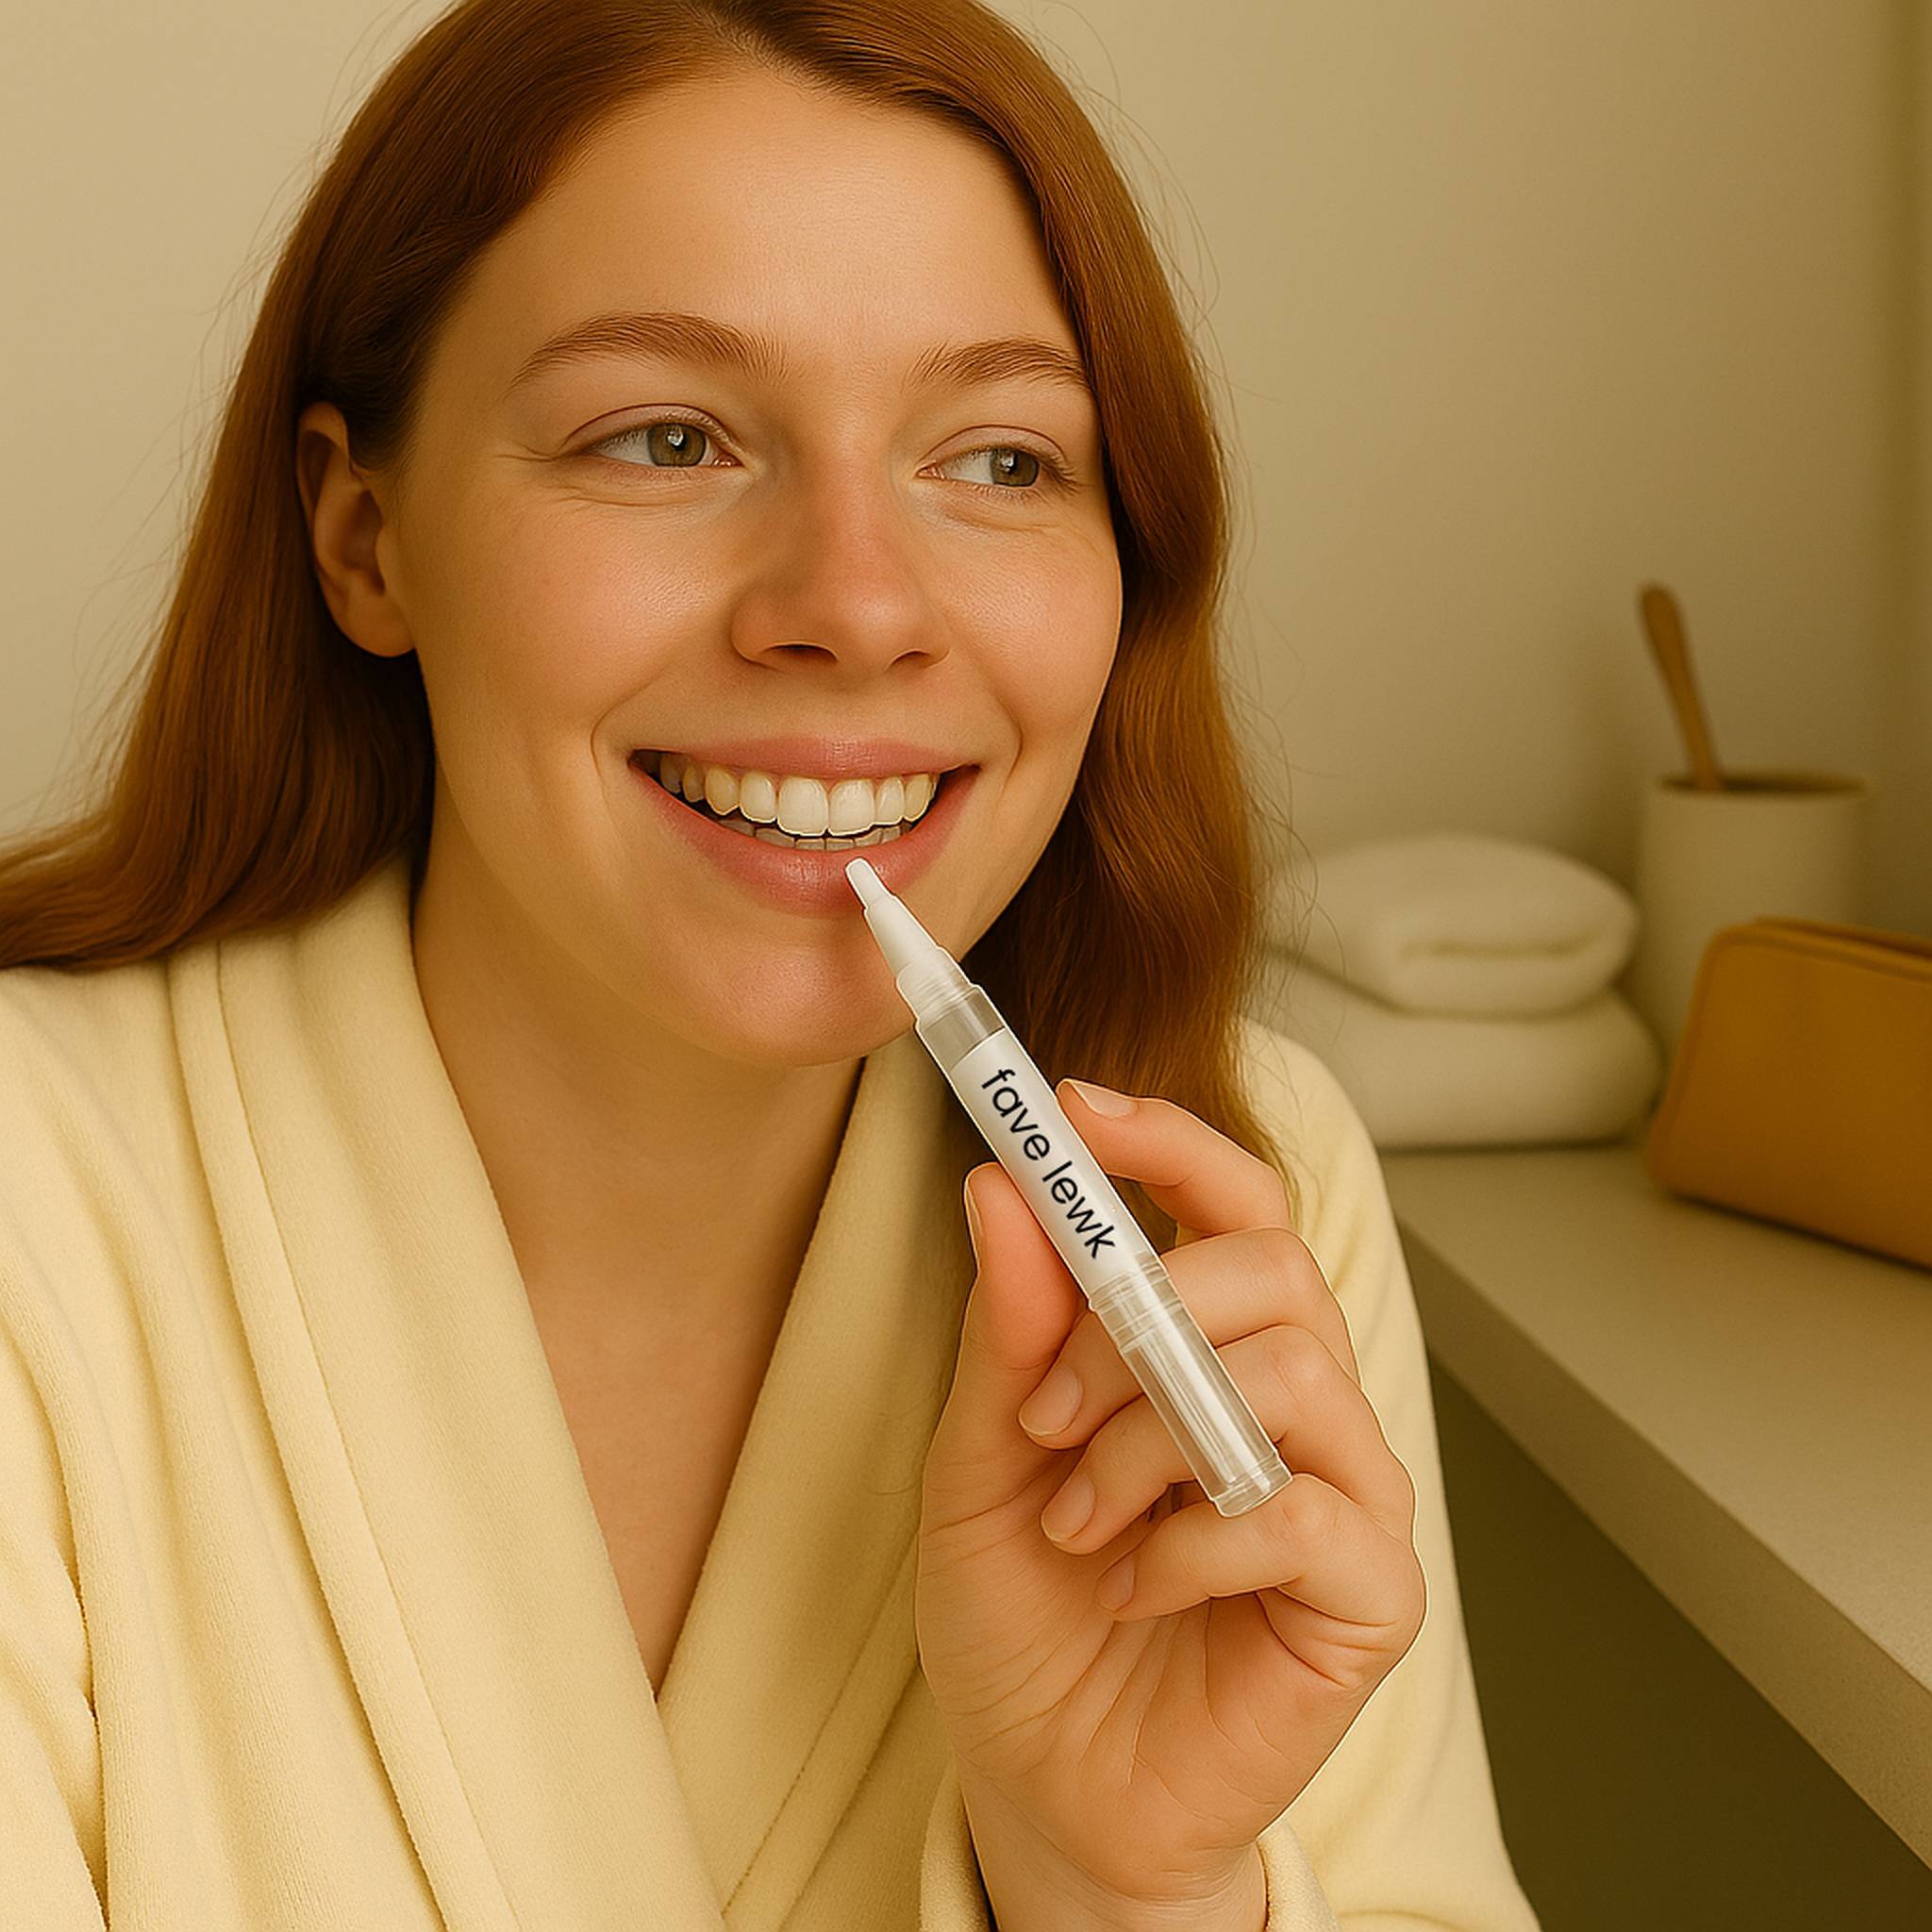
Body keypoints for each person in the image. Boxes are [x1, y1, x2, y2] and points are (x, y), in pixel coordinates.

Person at [0, 2, 1541, 1926]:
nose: (857, 604)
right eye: (665, 437)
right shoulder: (32, 1202)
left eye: (995, 458)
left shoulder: (1234, 1191)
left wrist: (1127, 1886)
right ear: (364, 534)